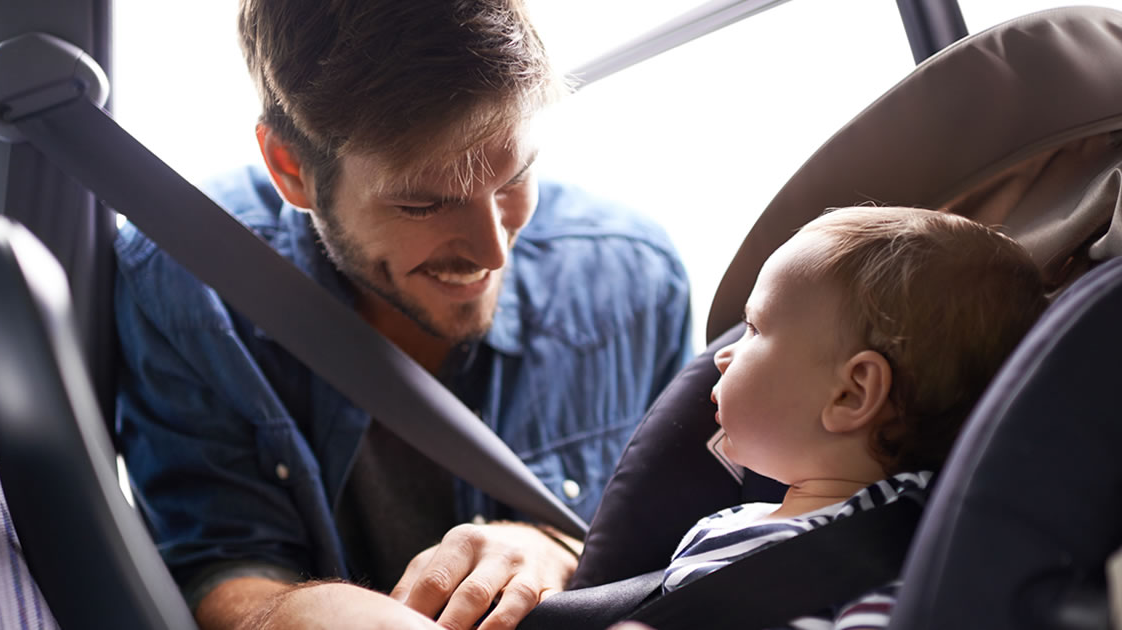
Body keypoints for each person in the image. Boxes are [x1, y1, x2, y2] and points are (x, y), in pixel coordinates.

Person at [112, 1, 693, 629]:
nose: (492, 250)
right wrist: (301, 615)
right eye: (423, 204)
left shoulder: (634, 279)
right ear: (291, 168)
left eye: (513, 179)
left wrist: (555, 551)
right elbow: (215, 561)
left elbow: (686, 540)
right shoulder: (190, 283)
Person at [661, 207, 1047, 628]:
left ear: (850, 394)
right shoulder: (722, 526)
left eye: (754, 329)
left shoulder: (897, 560)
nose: (722, 355)